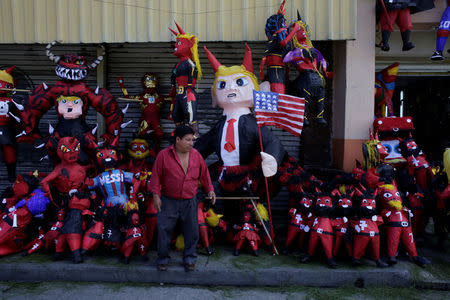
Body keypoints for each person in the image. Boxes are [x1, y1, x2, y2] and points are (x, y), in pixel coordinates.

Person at [149, 125, 216, 272]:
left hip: (190, 200)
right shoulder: (163, 155)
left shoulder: (196, 155)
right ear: (177, 139)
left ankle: (190, 259)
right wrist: (156, 196)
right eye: (188, 140)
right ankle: (163, 259)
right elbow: (156, 177)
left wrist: (210, 190)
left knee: (192, 231)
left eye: (192, 140)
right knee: (164, 230)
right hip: (168, 200)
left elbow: (204, 174)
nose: (191, 143)